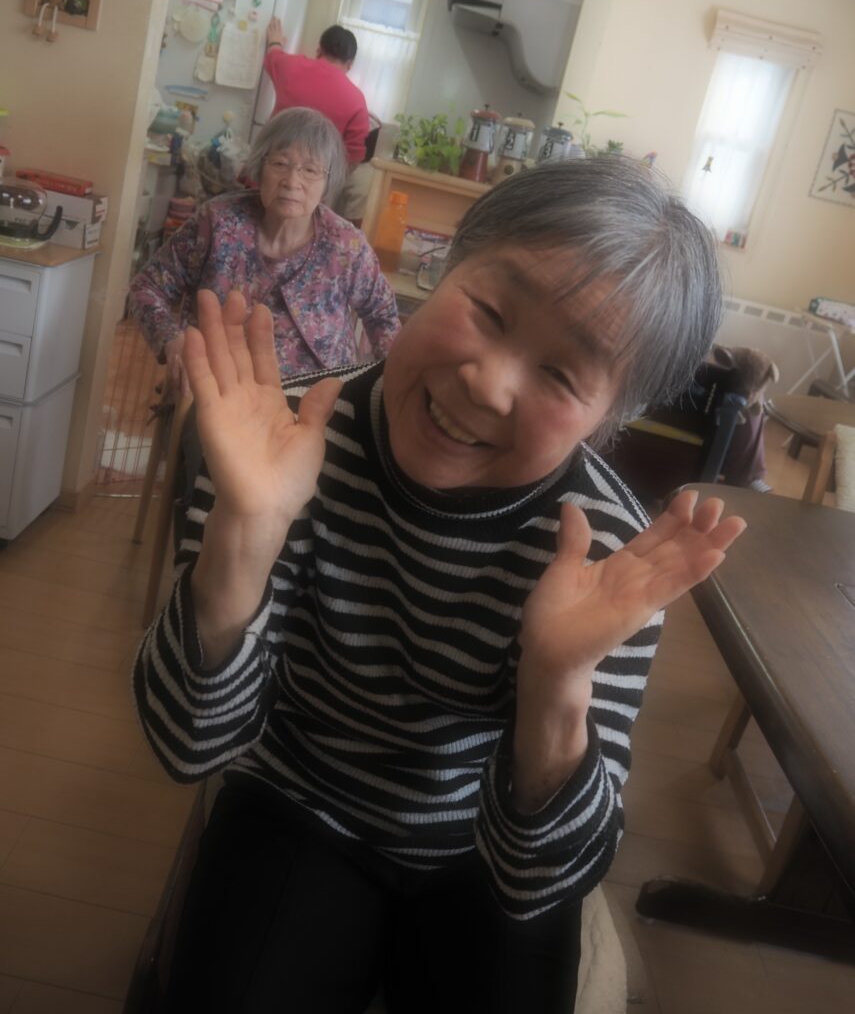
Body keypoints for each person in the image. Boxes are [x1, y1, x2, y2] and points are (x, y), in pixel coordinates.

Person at [133, 156, 746, 1014]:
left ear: (609, 419)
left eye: (562, 375)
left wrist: (555, 684)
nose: (488, 384)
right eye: (488, 312)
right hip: (297, 796)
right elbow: (187, 743)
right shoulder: (278, 441)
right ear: (444, 266)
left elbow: (543, 875)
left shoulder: (607, 555)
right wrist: (246, 529)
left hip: (480, 841)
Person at [129, 106, 399, 392]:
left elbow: (383, 315)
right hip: (216, 392)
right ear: (260, 166)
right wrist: (172, 342)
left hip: (315, 402)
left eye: (310, 170)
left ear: (327, 181)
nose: (292, 182)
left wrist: (389, 389)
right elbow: (147, 287)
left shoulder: (346, 245)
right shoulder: (217, 223)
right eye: (280, 163)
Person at [264, 19, 370, 167]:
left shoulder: (290, 66)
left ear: (319, 51)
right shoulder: (357, 100)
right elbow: (354, 156)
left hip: (272, 165)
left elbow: (273, 56)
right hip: (315, 176)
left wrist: (275, 41)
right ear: (350, 64)